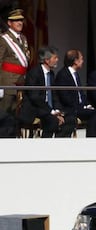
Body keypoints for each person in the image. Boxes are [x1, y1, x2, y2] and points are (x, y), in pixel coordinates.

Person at [19, 46, 65, 138]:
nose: (57, 60)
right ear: (47, 60)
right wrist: (51, 111)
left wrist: (57, 110)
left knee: (69, 119)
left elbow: (54, 95)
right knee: (53, 121)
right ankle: (44, 147)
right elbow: (34, 97)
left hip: (48, 108)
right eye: (55, 58)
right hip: (35, 107)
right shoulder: (34, 73)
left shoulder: (51, 74)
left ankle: (60, 148)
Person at [0, 8, 30, 137]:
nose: (20, 22)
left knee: (15, 116)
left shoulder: (23, 38)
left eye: (21, 20)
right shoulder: (3, 39)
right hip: (7, 82)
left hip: (21, 82)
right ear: (9, 23)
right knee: (5, 115)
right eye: (16, 20)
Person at [54, 49, 94, 137]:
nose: (83, 61)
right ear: (76, 61)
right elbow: (65, 97)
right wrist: (81, 107)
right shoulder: (63, 75)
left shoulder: (75, 74)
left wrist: (87, 105)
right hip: (70, 109)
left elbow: (81, 94)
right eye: (81, 59)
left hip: (79, 107)